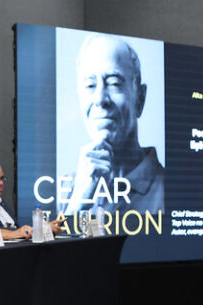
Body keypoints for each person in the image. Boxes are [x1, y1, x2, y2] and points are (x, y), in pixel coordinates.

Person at [63, 34, 164, 215]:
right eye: (90, 85)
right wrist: (76, 205)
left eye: (114, 83)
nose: (100, 99)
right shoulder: (64, 190)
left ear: (140, 98)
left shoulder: (170, 191)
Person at [0, 160, 63, 234]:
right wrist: (37, 230)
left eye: (2, 179)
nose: (1, 183)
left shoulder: (1, 202)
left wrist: (42, 230)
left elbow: (16, 230)